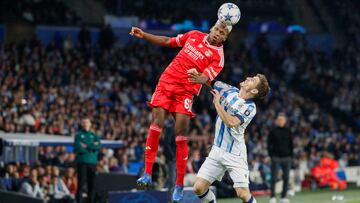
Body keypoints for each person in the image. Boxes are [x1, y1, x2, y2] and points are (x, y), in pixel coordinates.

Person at [130, 19, 234, 202]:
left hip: (185, 92)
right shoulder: (194, 35)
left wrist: (199, 77)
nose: (218, 33)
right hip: (166, 82)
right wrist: (144, 35)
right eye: (217, 29)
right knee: (156, 124)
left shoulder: (219, 57)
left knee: (181, 134)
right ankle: (147, 173)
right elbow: (167, 41)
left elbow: (205, 78)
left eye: (223, 33)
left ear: (224, 38)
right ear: (212, 27)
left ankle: (178, 185)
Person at [189, 70, 270, 203]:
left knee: (243, 194)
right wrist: (198, 76)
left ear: (254, 91)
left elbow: (231, 122)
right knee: (199, 188)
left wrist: (217, 103)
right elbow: (210, 81)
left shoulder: (250, 108)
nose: (249, 77)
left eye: (253, 80)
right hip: (217, 150)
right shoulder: (229, 90)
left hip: (235, 154)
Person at [74, 117, 101, 203]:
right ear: (82, 124)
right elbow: (78, 148)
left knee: (92, 185)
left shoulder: (94, 135)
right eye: (84, 122)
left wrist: (86, 145)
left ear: (90, 124)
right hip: (82, 162)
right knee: (81, 184)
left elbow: (98, 146)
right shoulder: (78, 135)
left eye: (87, 122)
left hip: (92, 163)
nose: (85, 124)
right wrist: (92, 146)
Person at [268, 113, 293, 203]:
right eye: (279, 120)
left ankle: (283, 197)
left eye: (282, 120)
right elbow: (269, 144)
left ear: (285, 121)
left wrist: (291, 156)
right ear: (276, 121)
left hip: (287, 157)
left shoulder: (288, 131)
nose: (280, 121)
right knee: (274, 178)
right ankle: (273, 197)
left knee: (286, 177)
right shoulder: (273, 131)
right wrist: (271, 155)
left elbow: (291, 144)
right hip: (276, 157)